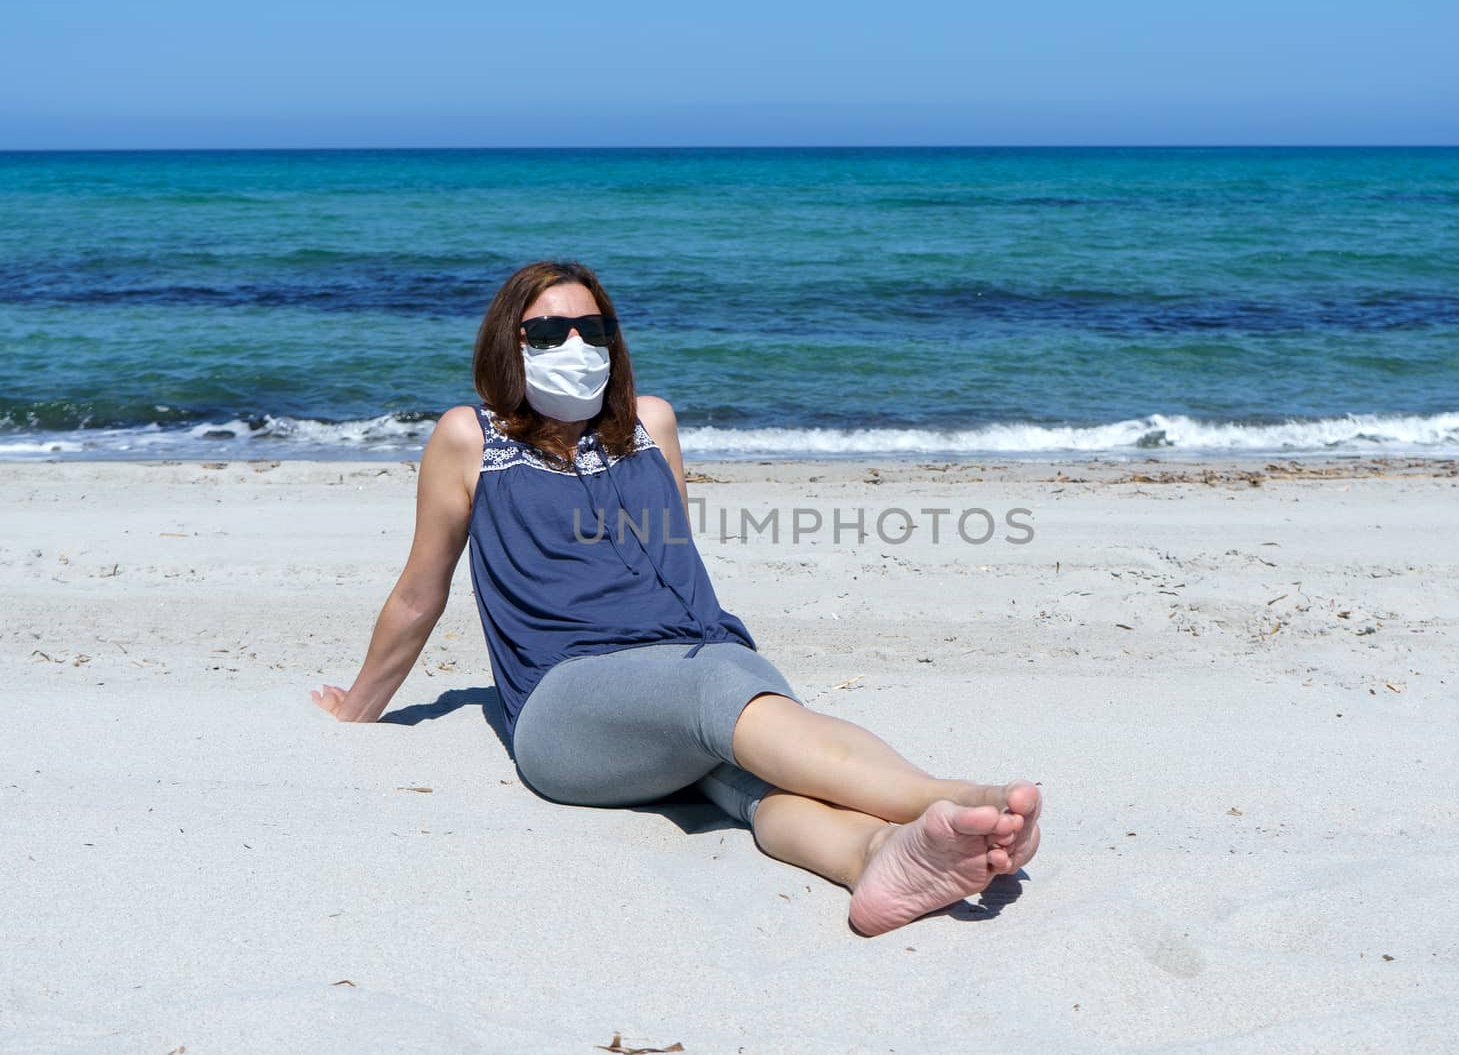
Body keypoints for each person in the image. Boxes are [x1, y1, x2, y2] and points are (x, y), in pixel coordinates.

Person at [310, 261, 1041, 935]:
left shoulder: (650, 425)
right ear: (511, 342)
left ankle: (880, 853)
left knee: (753, 778)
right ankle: (960, 796)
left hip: (694, 669)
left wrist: (721, 652)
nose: (575, 342)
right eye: (547, 330)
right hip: (566, 704)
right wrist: (358, 707)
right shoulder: (471, 437)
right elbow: (419, 594)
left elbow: (672, 563)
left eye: (591, 328)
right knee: (715, 686)